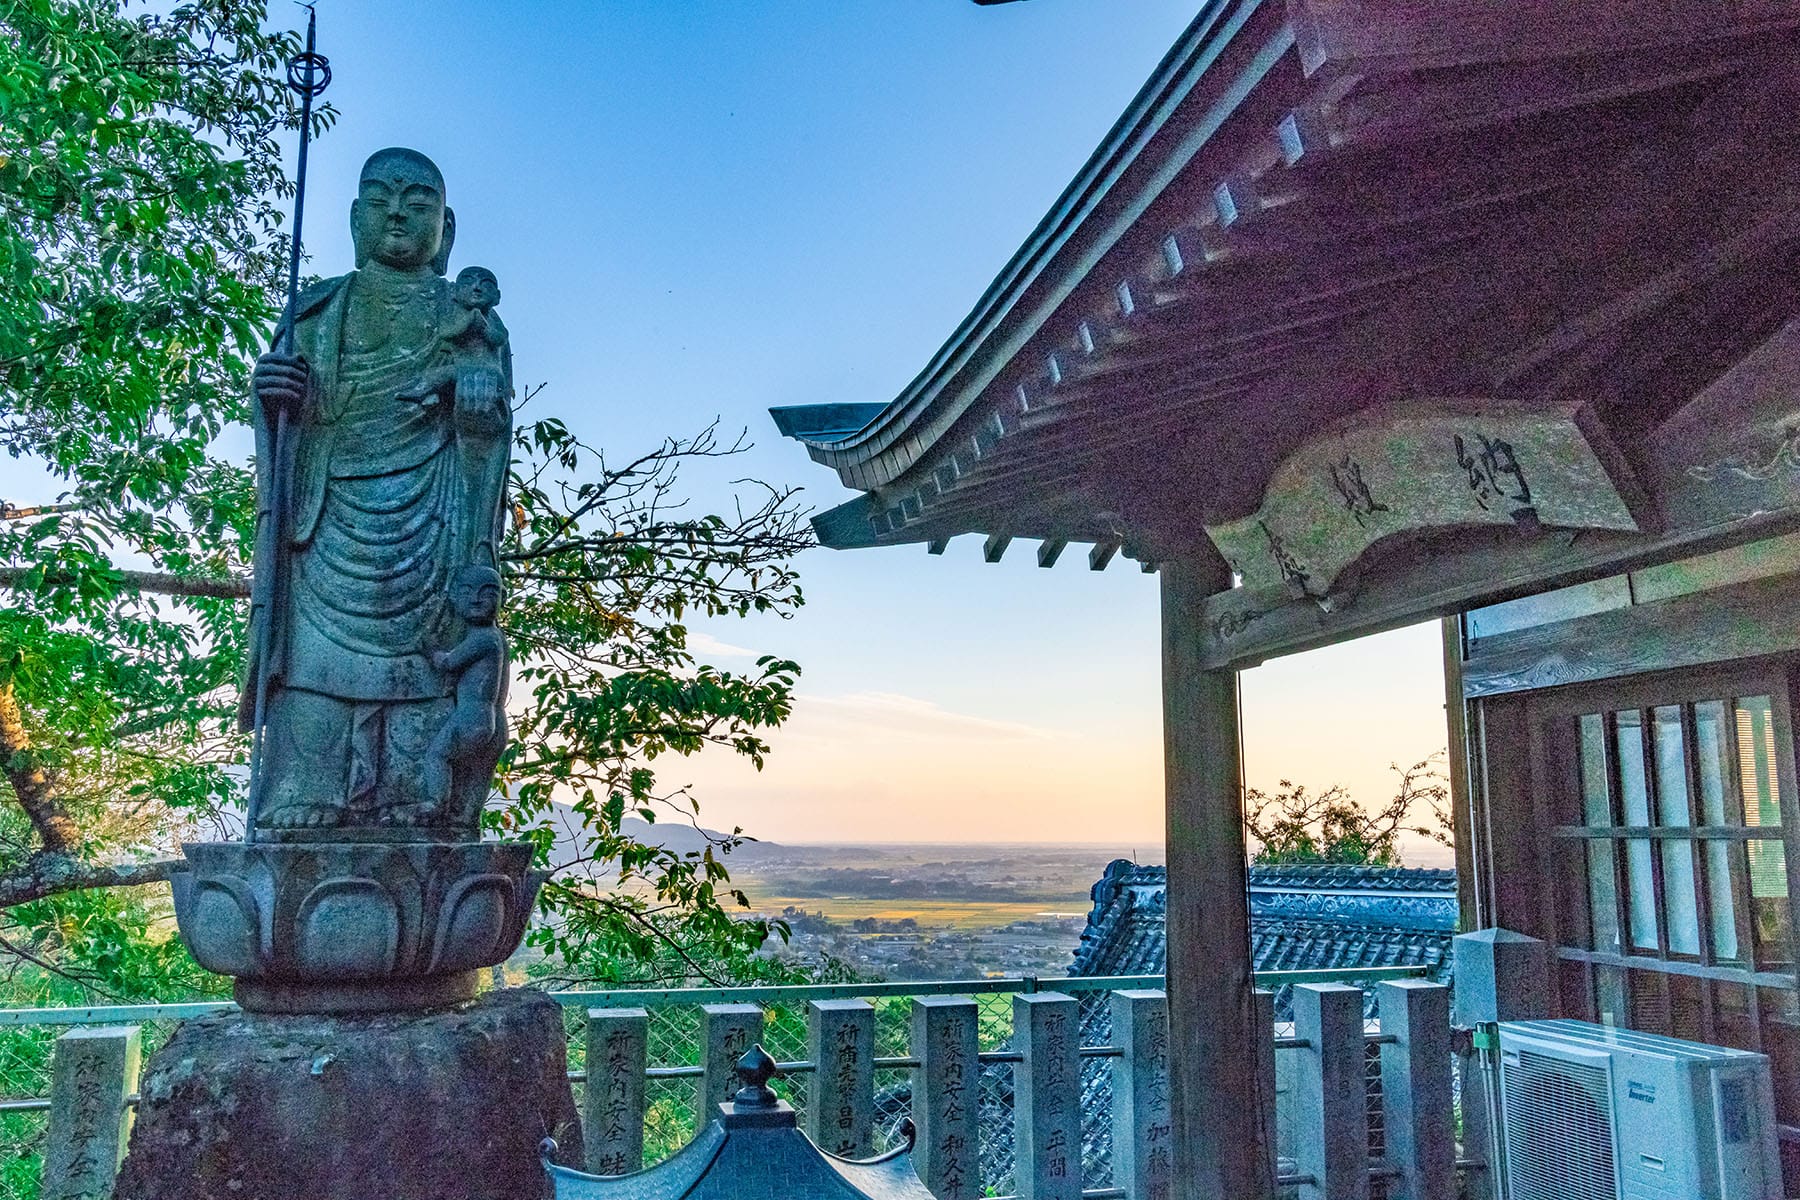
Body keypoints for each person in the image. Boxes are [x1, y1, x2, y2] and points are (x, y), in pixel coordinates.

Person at [243, 147, 512, 832]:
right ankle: (305, 790)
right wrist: (275, 401)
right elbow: (286, 421)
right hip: (325, 514)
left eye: (417, 200)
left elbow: (487, 432)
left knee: (428, 666)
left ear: (445, 231)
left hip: (434, 520)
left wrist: (479, 399)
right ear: (355, 218)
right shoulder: (314, 314)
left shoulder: (470, 318)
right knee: (312, 670)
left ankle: (415, 797)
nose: (397, 211)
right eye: (382, 198)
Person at [420, 565, 509, 825]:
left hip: (474, 716)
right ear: (455, 596)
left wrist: (430, 650)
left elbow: (448, 663)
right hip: (497, 720)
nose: (477, 598)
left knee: (438, 755)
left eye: (487, 593)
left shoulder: (484, 638)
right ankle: (467, 818)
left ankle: (436, 803)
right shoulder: (499, 638)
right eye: (468, 591)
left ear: (502, 598)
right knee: (481, 771)